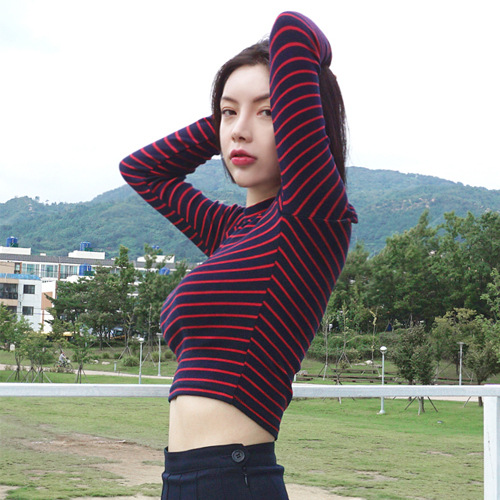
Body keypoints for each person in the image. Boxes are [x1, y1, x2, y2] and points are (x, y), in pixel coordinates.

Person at [120, 10, 357, 499]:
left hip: (232, 478)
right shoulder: (235, 230)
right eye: (229, 113)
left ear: (303, 117)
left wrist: (316, 68)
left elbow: (292, 28)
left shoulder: (311, 217)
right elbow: (142, 170)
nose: (239, 131)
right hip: (184, 477)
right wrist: (229, 124)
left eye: (269, 111)